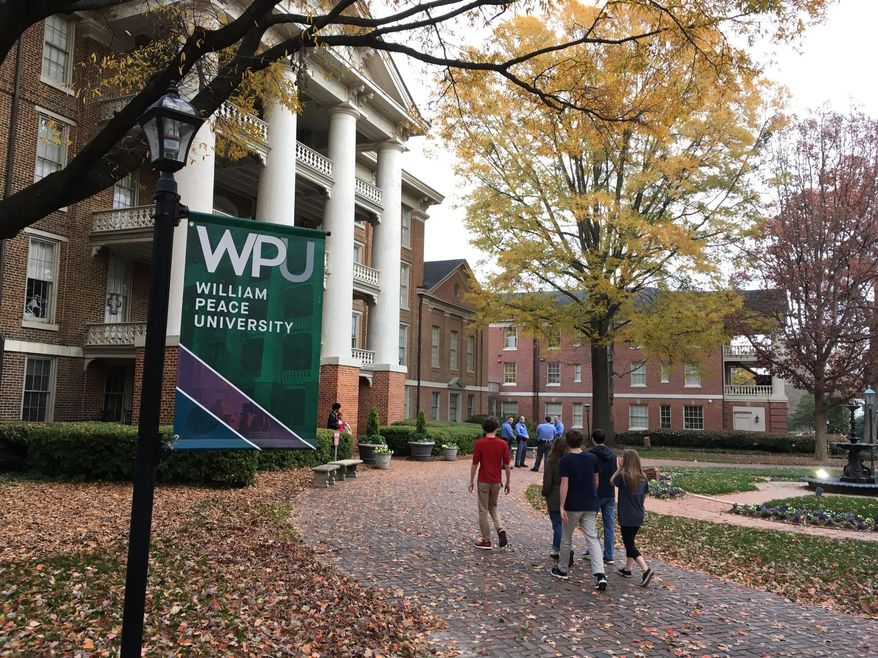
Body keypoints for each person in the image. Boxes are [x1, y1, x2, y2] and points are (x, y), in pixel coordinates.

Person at [551, 430, 608, 591]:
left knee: (566, 538)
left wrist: (561, 506)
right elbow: (596, 480)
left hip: (572, 505)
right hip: (590, 504)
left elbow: (565, 484)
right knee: (592, 538)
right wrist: (591, 493)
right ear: (581, 442)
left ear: (568, 443)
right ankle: (600, 574)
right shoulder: (592, 458)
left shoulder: (567, 460)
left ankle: (562, 569)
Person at [611, 449, 654, 587]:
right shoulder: (643, 477)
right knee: (631, 541)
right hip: (638, 513)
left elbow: (611, 481)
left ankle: (645, 569)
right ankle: (627, 569)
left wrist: (619, 468)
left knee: (629, 545)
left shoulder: (623, 476)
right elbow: (646, 495)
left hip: (626, 515)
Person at [469, 417, 512, 550]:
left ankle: (486, 540)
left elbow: (475, 463)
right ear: (497, 428)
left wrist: (471, 480)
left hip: (483, 480)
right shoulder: (503, 444)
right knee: (493, 506)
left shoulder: (480, 443)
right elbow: (507, 465)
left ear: (483, 428)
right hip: (496, 480)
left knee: (483, 509)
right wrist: (508, 482)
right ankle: (500, 529)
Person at [589, 429, 617, 566]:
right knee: (609, 525)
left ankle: (593, 551)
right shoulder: (612, 454)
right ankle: (609, 554)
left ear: (593, 439)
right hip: (610, 493)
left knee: (590, 524)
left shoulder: (590, 455)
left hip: (595, 493)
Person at [541, 436, 571, 562]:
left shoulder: (550, 461)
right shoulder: (570, 460)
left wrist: (545, 492)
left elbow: (547, 480)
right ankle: (560, 547)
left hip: (554, 495)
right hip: (569, 494)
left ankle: (558, 549)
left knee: (557, 524)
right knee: (565, 525)